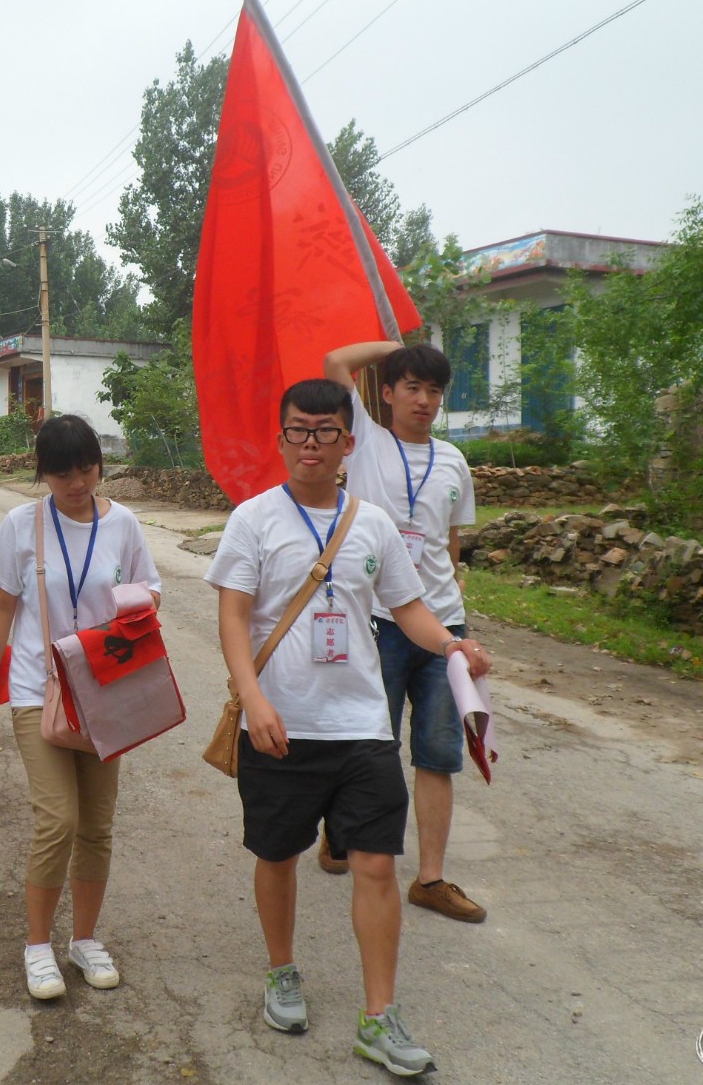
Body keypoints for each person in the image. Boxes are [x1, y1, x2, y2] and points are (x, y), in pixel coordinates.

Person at [204, 378, 491, 1076]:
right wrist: (253, 697)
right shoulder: (253, 520)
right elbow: (234, 619)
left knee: (373, 863)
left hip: (362, 725)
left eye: (324, 432)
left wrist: (449, 645)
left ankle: (378, 1017)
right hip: (280, 724)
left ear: (346, 443)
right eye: (298, 431)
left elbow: (409, 608)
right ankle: (282, 971)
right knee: (277, 856)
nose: (311, 444)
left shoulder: (372, 525)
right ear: (281, 440)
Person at [0, 415, 162, 1001]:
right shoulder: (20, 525)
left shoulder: (123, 524)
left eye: (86, 468)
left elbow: (150, 590)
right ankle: (37, 945)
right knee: (58, 819)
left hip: (105, 691)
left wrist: (133, 603)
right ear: (43, 473)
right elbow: (1, 608)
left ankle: (83, 939)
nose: (77, 482)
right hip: (39, 691)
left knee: (98, 826)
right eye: (61, 473)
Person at [322, 341, 483, 923]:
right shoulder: (362, 439)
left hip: (442, 625)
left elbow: (451, 542)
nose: (424, 400)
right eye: (411, 387)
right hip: (378, 621)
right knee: (371, 743)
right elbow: (336, 363)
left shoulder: (453, 461)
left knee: (438, 752)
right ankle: (345, 833)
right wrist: (400, 345)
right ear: (386, 393)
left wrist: (452, 598)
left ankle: (431, 878)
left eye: (434, 390)